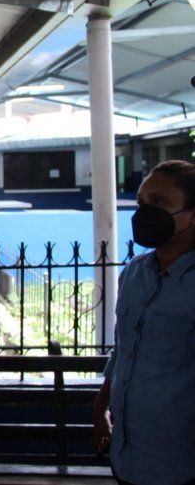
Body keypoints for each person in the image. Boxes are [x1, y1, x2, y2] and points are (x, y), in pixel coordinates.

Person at [93, 159, 195, 485]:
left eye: (160, 202)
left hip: (178, 465)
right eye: (141, 203)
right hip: (124, 456)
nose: (144, 213)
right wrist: (100, 407)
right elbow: (122, 349)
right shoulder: (134, 274)